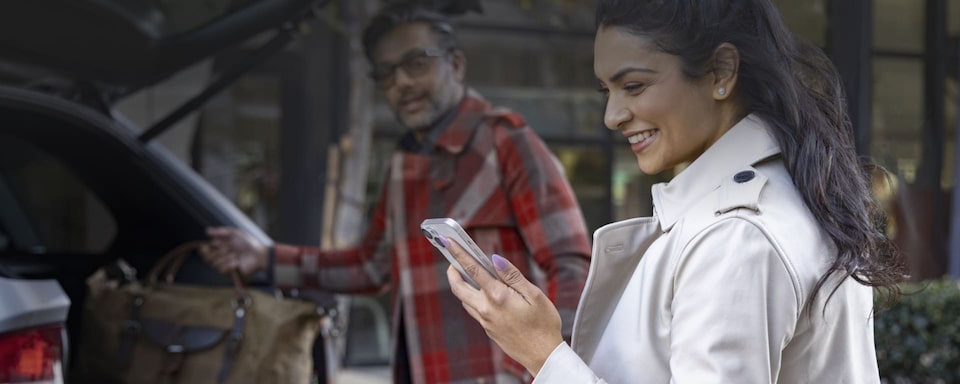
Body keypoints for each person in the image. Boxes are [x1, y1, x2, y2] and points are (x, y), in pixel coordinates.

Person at [442, 0, 906, 383]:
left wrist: (543, 354)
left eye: (634, 85)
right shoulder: (777, 200)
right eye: (607, 90)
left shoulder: (736, 236)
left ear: (721, 71)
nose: (613, 115)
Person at [200, 3, 592, 384]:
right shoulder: (403, 163)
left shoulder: (506, 141)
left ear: (455, 65)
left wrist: (547, 368)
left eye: (416, 63)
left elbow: (571, 265)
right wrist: (265, 258)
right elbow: (371, 266)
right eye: (386, 74)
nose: (401, 82)